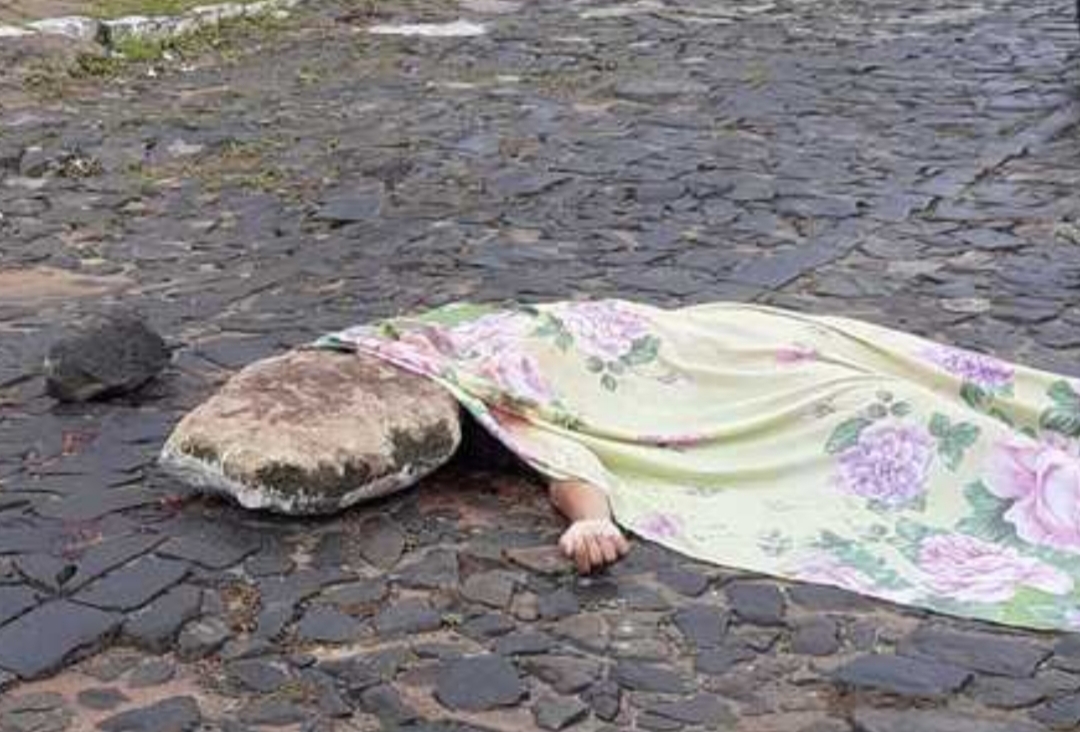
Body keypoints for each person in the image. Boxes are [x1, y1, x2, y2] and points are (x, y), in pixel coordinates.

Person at [323, 299, 1080, 632]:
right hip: (750, 398)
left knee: (928, 380)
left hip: (735, 342)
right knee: (894, 415)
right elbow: (565, 458)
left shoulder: (477, 335)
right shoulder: (491, 398)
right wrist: (590, 523)